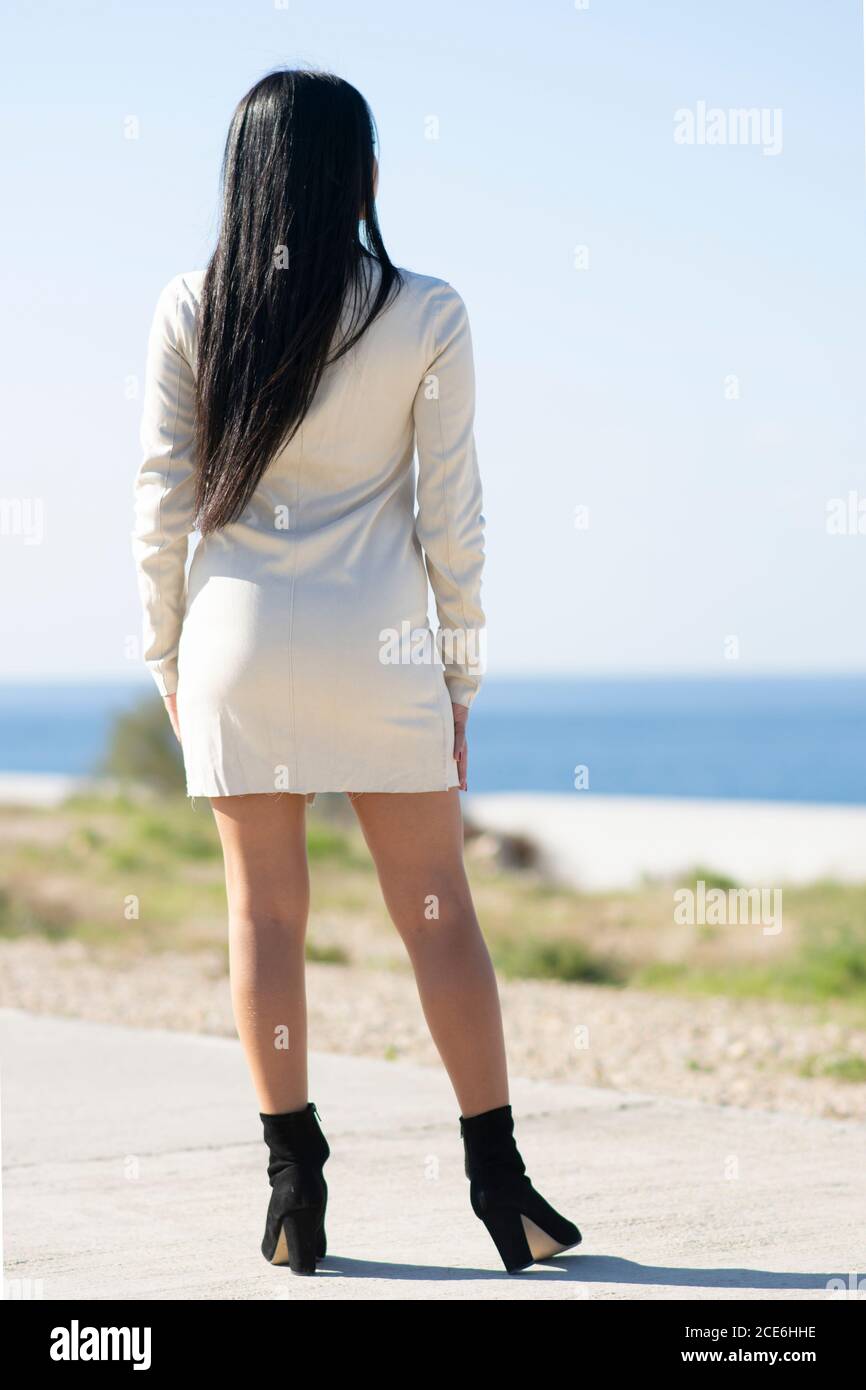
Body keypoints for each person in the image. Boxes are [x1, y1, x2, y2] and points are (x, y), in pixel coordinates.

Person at [132, 67, 580, 1275]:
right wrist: (460, 677)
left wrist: (166, 656)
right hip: (379, 651)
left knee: (264, 918)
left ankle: (294, 1187)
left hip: (235, 647)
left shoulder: (192, 306)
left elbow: (160, 508)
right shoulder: (427, 312)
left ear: (242, 179)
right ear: (365, 178)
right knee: (437, 920)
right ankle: (502, 1189)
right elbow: (455, 521)